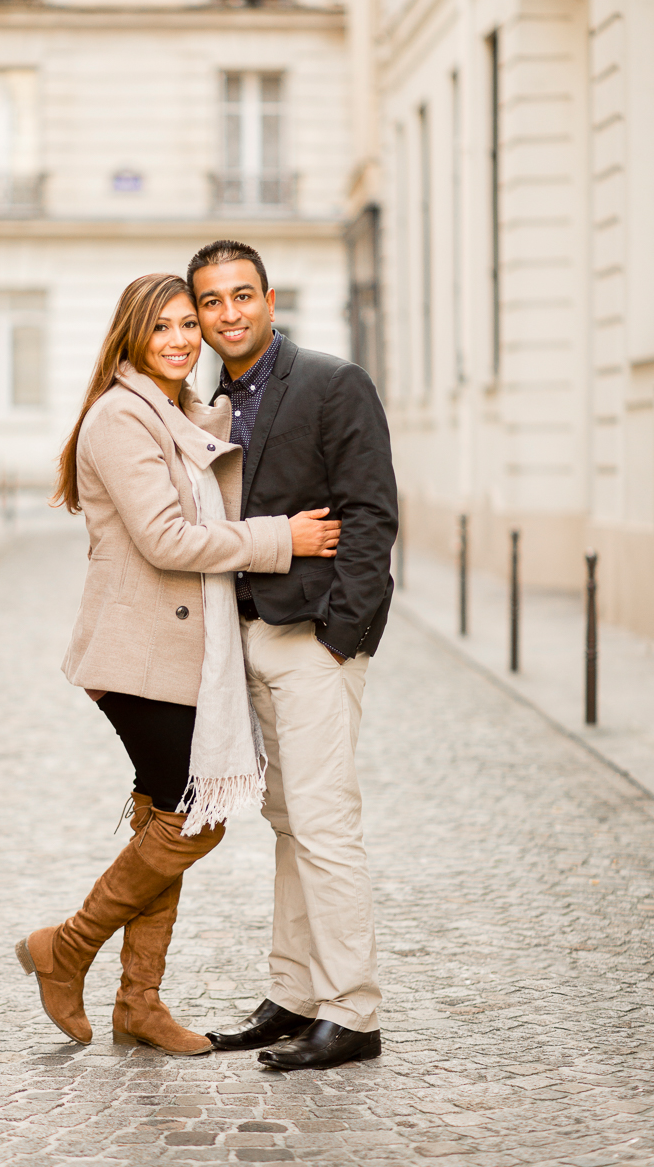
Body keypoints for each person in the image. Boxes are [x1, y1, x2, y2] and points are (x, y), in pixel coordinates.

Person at [14, 272, 342, 1057]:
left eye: (187, 325)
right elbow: (167, 540)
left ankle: (139, 1003)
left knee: (166, 808)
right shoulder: (122, 418)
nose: (180, 339)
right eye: (161, 326)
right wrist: (280, 539)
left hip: (178, 654)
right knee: (193, 822)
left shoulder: (177, 412)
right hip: (140, 658)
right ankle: (64, 948)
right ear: (131, 335)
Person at [187, 240, 398, 1072]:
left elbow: (371, 515)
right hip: (246, 639)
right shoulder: (214, 399)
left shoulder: (331, 382)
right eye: (212, 301)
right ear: (201, 314)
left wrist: (340, 636)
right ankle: (295, 994)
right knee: (287, 823)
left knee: (324, 825)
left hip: (313, 639)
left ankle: (353, 1012)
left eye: (243, 295)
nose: (228, 312)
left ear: (270, 301)